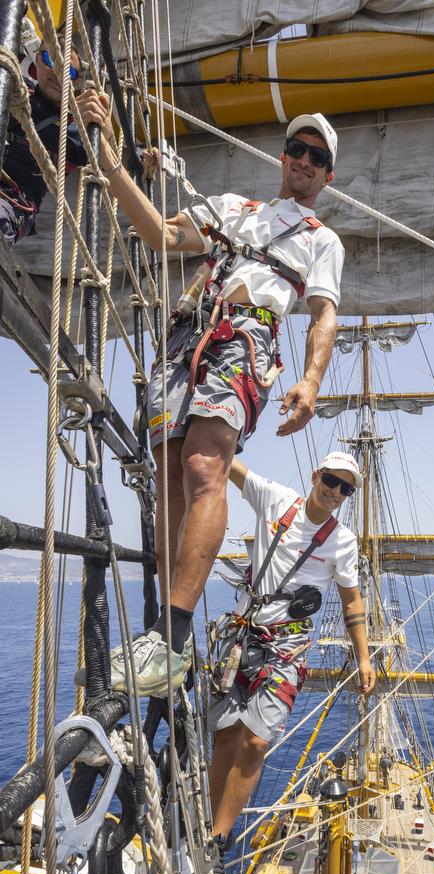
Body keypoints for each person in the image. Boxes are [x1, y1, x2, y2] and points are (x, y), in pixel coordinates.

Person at [79, 93, 345, 695]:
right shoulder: (234, 208)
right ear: (283, 157)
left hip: (247, 337)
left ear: (328, 175)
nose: (304, 160)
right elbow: (159, 233)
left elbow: (324, 313)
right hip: (186, 331)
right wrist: (109, 158)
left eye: (317, 157)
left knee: (205, 461)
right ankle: (164, 642)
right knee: (172, 472)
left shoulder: (322, 240)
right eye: (297, 149)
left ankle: (171, 636)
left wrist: (311, 378)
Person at [207, 451, 375, 848]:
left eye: (345, 488)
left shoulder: (342, 542)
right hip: (243, 634)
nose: (336, 492)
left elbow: (352, 602)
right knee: (225, 735)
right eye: (331, 481)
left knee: (257, 740)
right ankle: (208, 824)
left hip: (287, 645)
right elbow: (229, 463)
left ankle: (219, 835)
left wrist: (364, 657)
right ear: (316, 474)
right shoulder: (277, 499)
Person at [1, 39, 89, 245]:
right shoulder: (16, 89)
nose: (59, 74)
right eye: (51, 60)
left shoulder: (75, 129)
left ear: (74, 83)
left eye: (70, 72)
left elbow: (95, 157)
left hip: (13, 201)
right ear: (38, 60)